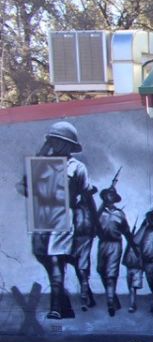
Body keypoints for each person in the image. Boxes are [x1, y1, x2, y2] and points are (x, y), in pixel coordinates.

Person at [17, 121, 94, 319]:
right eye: (53, 140)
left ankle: (55, 309)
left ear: (69, 145)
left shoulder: (77, 167)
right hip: (43, 216)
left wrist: (92, 222)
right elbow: (25, 185)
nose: (56, 144)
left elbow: (86, 196)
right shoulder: (42, 164)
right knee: (44, 258)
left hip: (64, 217)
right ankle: (65, 306)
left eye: (60, 141)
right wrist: (42, 153)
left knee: (56, 260)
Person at [96, 187, 133, 317]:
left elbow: (127, 231)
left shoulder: (119, 214)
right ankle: (113, 297)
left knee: (111, 274)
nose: (109, 197)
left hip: (115, 245)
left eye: (111, 195)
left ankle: (110, 304)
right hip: (102, 244)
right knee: (101, 270)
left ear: (114, 198)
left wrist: (133, 245)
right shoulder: (99, 213)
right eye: (106, 195)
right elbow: (94, 227)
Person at [132, 211, 153, 313]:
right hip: (147, 263)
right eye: (151, 220)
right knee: (152, 284)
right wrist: (144, 226)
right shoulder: (143, 232)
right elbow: (135, 241)